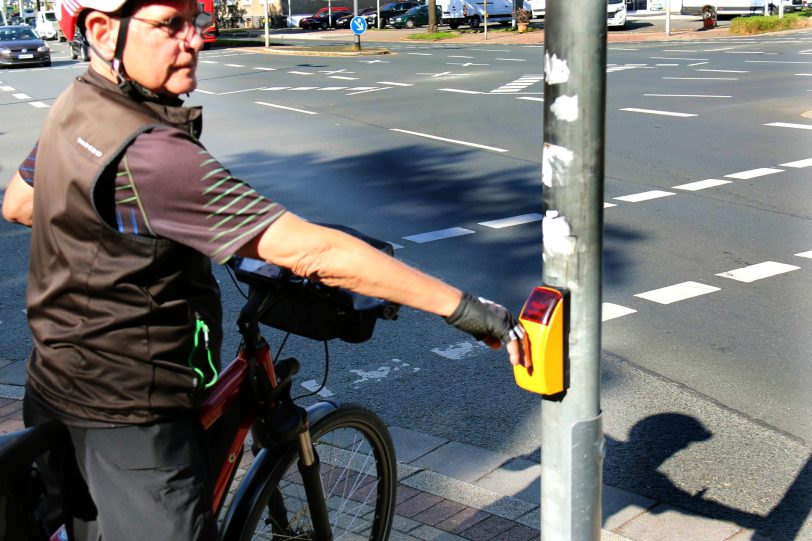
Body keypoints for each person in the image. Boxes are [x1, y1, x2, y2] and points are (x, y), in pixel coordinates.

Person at [1, 0, 529, 537]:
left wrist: (127, 237)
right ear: (101, 30)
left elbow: (20, 204)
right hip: (133, 422)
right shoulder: (152, 154)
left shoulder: (78, 105)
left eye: (196, 22)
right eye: (169, 25)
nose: (194, 40)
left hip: (55, 384)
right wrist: (466, 309)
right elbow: (317, 253)